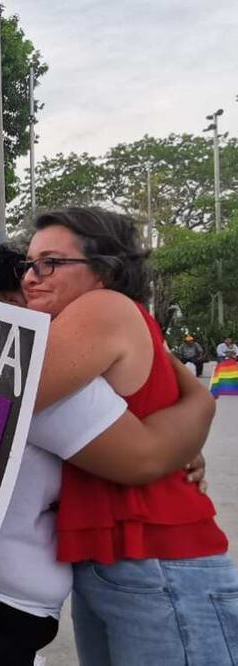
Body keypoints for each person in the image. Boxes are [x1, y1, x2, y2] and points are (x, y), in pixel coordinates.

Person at [0, 234, 215, 666]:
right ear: (4, 303)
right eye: (28, 288)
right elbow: (147, 455)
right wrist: (198, 406)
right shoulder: (25, 371)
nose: (48, 302)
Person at [20, 208, 234, 665]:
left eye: (50, 263)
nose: (30, 278)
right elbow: (190, 397)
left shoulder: (102, 307)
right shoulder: (103, 320)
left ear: (104, 271)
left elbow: (6, 395)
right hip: (128, 563)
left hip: (161, 560)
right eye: (29, 264)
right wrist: (193, 418)